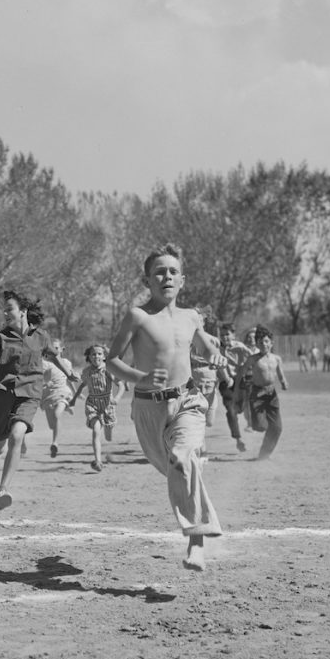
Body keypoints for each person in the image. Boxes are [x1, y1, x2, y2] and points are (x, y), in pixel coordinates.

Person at [105, 244, 228, 571]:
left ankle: (196, 543)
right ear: (147, 280)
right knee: (176, 467)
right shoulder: (138, 316)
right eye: (159, 271)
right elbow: (111, 361)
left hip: (187, 402)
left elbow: (205, 343)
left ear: (182, 280)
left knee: (183, 458)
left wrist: (214, 353)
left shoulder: (191, 317)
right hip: (148, 410)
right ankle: (198, 524)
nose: (167, 276)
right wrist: (140, 376)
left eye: (173, 271)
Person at [0, 291, 77, 512]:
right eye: (4, 310)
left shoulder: (41, 336)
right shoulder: (1, 337)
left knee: (16, 436)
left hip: (30, 394)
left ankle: (2, 490)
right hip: (4, 393)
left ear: (23, 311)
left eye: (10, 309)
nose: (6, 313)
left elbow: (53, 355)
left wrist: (69, 373)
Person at [66, 344, 125, 471]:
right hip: (92, 403)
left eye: (99, 354)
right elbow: (82, 385)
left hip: (108, 404)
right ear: (89, 357)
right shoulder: (87, 372)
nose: (96, 356)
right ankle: (98, 461)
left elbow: (121, 385)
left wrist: (118, 398)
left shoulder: (108, 370)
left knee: (108, 434)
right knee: (96, 430)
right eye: (93, 354)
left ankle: (108, 446)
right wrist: (74, 399)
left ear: (104, 357)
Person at [245, 325, 290, 461]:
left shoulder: (276, 359)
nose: (263, 344)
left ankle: (264, 454)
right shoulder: (253, 359)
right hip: (257, 393)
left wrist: (284, 382)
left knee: (277, 428)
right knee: (260, 426)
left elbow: (280, 373)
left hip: (271, 395)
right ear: (257, 344)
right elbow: (243, 371)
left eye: (266, 341)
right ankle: (255, 422)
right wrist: (243, 383)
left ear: (271, 343)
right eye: (260, 342)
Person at [214, 323, 250, 454]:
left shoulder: (240, 347)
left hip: (240, 381)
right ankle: (238, 439)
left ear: (233, 335)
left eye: (227, 334)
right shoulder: (216, 347)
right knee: (231, 411)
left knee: (243, 407)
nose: (224, 337)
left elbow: (252, 358)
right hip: (225, 383)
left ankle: (250, 422)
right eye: (222, 335)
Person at [41, 338, 76, 459]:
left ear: (62, 349)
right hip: (48, 396)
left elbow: (69, 379)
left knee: (56, 415)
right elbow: (37, 378)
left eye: (56, 348)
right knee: (52, 425)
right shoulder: (45, 363)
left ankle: (55, 443)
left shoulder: (66, 363)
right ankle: (66, 408)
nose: (53, 351)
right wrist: (45, 383)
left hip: (63, 393)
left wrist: (76, 394)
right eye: (51, 349)